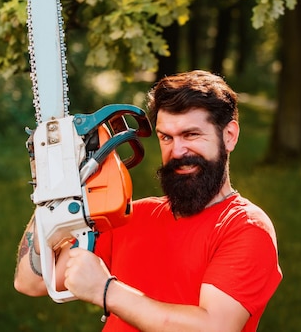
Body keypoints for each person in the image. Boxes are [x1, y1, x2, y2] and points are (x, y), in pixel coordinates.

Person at [14, 70, 282, 332]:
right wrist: (52, 192)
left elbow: (214, 326)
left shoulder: (245, 228)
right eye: (167, 137)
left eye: (191, 135)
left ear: (229, 136)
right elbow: (31, 283)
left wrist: (106, 291)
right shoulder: (130, 216)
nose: (177, 151)